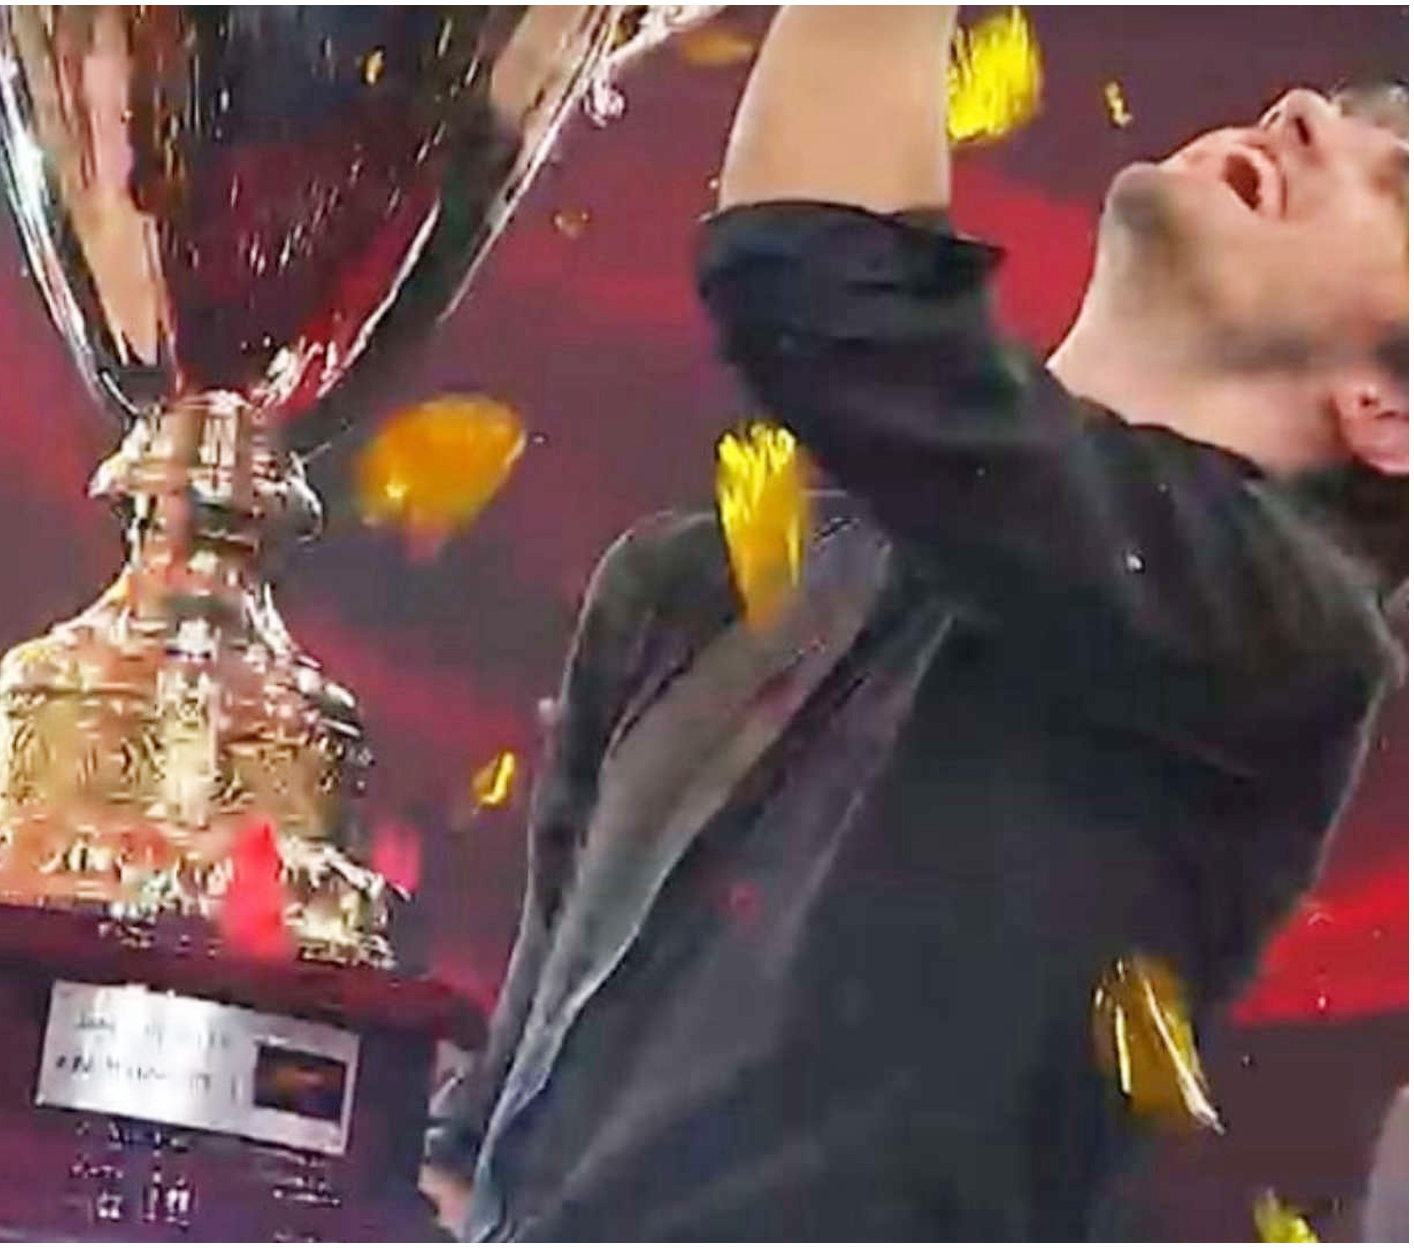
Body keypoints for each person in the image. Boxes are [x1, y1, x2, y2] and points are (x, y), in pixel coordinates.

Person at [422, 6, 1406, 1240]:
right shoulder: (692, 588)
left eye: (1394, 186)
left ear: (1387, 413)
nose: (1298, 111)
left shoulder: (1280, 635)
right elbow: (490, 1148)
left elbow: (821, 270)